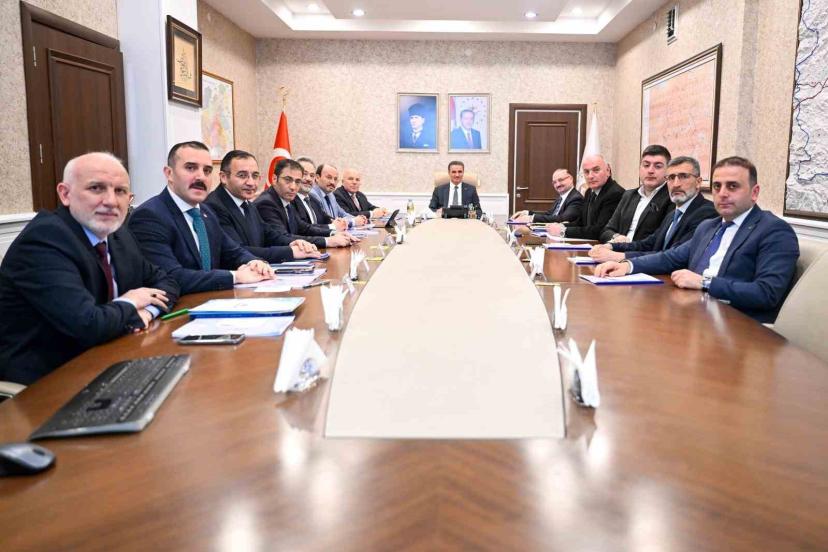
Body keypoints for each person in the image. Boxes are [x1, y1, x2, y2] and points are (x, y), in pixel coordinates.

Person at [0, 152, 179, 385]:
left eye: (120, 191)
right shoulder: (44, 240)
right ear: (65, 194)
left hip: (111, 360)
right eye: (96, 188)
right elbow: (88, 325)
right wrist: (131, 302)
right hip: (48, 381)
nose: (111, 201)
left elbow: (167, 281)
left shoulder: (118, 235)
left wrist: (146, 312)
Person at [594, 156, 799, 323]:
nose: (722, 194)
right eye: (717, 186)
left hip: (736, 326)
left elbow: (766, 293)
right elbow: (670, 258)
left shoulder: (774, 231)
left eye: (732, 186)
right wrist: (627, 265)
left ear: (754, 193)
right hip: (692, 313)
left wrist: (705, 283)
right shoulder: (709, 226)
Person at [130, 141, 274, 295]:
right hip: (178, 305)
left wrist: (254, 262)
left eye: (207, 171)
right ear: (169, 174)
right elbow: (170, 277)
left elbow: (232, 251)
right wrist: (235, 276)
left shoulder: (206, 212)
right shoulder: (149, 216)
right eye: (191, 168)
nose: (201, 177)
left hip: (211, 300)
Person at [589, 156, 718, 262]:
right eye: (671, 178)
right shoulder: (674, 214)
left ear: (698, 182)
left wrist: (622, 257)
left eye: (683, 176)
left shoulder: (706, 212)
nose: (676, 184)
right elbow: (648, 244)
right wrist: (611, 246)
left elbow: (674, 256)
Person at [204, 150, 321, 263]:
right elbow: (237, 252)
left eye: (255, 176)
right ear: (224, 177)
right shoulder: (213, 206)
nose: (251, 183)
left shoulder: (247, 204)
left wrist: (293, 243)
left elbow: (269, 234)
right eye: (242, 175)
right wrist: (290, 252)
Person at [255, 159, 359, 249]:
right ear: (274, 179)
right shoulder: (267, 203)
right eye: (288, 180)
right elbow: (282, 238)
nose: (293, 187)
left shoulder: (286, 200)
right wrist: (328, 241)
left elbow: (303, 228)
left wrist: (333, 233)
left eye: (297, 181)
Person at [598, 145, 672, 243]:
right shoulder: (628, 195)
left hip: (642, 251)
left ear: (668, 171)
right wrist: (616, 237)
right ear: (640, 168)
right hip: (616, 249)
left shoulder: (671, 198)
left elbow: (662, 239)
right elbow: (606, 231)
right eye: (646, 165)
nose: (650, 171)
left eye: (657, 166)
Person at [546, 154, 624, 240]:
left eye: (596, 170)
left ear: (608, 170)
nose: (590, 176)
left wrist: (563, 231)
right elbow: (581, 222)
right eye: (586, 172)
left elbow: (600, 230)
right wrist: (561, 226)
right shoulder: (589, 192)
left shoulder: (614, 193)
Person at [511, 168, 583, 225]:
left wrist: (532, 218)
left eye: (561, 180)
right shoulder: (561, 197)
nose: (557, 185)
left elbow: (563, 219)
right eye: (554, 182)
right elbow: (550, 214)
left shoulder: (576, 198)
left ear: (571, 179)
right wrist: (527, 213)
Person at [293, 157, 348, 231]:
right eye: (304, 174)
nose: (309, 179)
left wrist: (338, 223)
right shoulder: (290, 200)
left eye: (312, 175)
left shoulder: (312, 199)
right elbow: (303, 229)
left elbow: (326, 219)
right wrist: (332, 227)